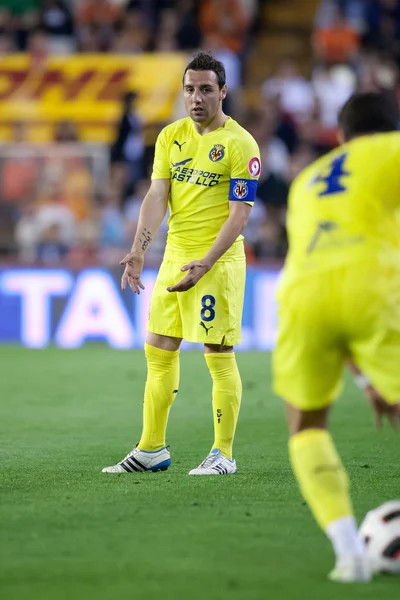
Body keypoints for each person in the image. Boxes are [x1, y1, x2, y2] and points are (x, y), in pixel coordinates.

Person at [103, 52, 260, 476]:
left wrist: (207, 262)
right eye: (189, 89)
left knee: (217, 354)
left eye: (206, 89)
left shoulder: (240, 143)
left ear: (223, 92)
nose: (196, 98)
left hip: (218, 263)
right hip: (174, 258)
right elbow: (157, 197)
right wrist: (139, 249)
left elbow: (239, 214)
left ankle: (223, 454)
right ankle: (151, 448)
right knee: (158, 349)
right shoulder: (171, 136)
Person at [273, 91, 400, 583]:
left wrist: (366, 378)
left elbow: (325, 276)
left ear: (342, 136)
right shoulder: (391, 151)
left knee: (306, 426)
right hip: (374, 283)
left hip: (303, 296)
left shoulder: (307, 180)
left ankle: (349, 555)